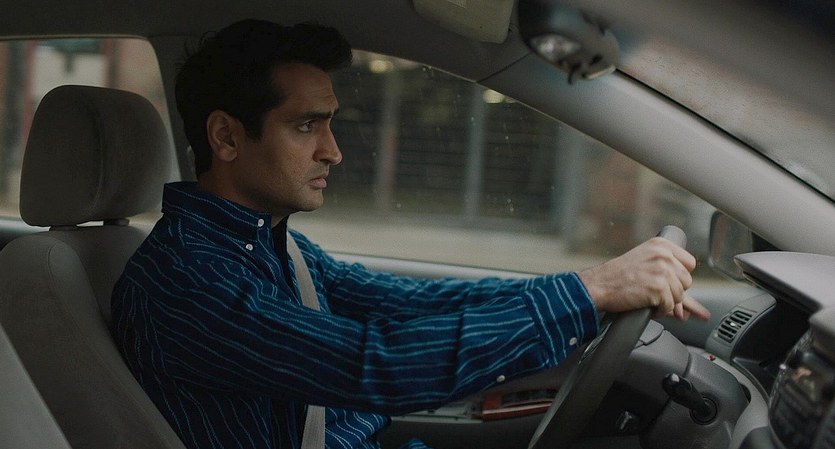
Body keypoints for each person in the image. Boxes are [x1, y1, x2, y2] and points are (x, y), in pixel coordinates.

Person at [111, 19, 710, 449]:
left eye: (329, 124)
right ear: (226, 137)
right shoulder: (184, 280)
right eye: (306, 125)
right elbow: (375, 366)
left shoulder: (269, 243)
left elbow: (407, 302)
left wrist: (592, 287)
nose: (333, 151)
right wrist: (589, 292)